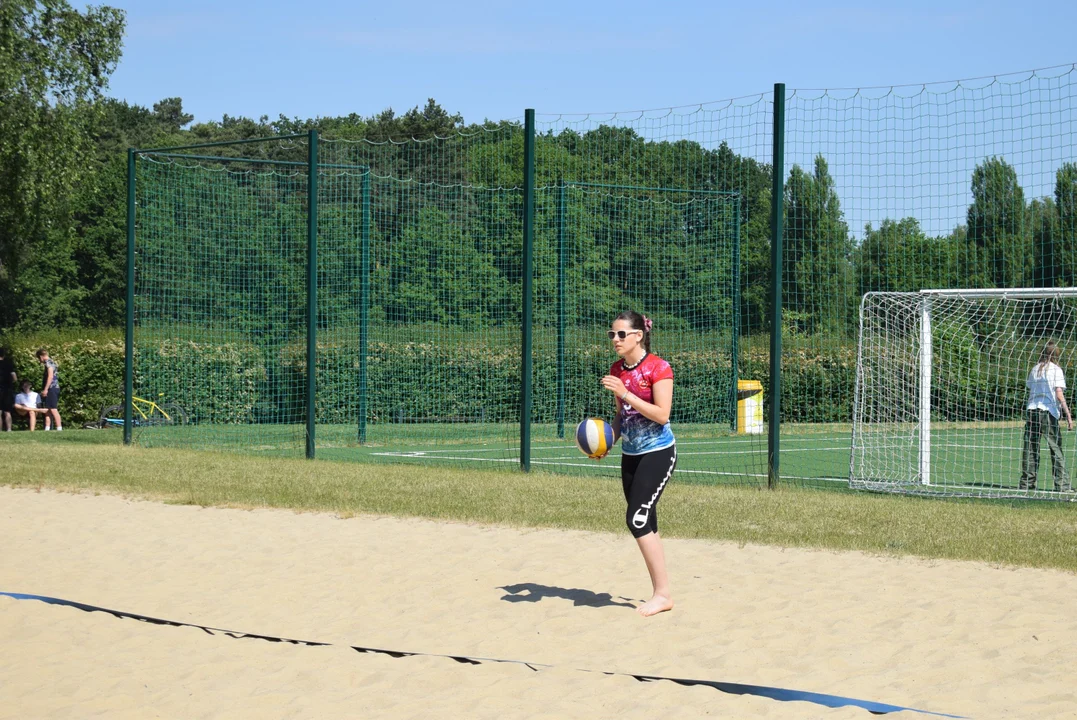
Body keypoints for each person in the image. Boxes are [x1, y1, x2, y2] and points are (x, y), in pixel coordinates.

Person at [600, 311, 677, 617]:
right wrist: (608, 440)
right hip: (630, 455)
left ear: (638, 336)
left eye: (621, 334)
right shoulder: (617, 369)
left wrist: (626, 392)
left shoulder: (659, 368)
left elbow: (662, 414)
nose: (615, 340)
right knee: (646, 520)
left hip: (659, 453)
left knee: (637, 519)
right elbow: (622, 416)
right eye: (612, 335)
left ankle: (662, 594)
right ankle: (662, 592)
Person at [1020, 340, 1073, 492]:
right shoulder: (1056, 370)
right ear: (1057, 354)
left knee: (1030, 448)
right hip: (1048, 413)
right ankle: (1062, 485)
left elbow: (1030, 388)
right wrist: (1068, 415)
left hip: (1032, 411)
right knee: (1056, 449)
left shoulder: (1035, 369)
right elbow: (1058, 393)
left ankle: (1027, 483)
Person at [36, 348, 62, 432]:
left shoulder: (48, 363)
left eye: (39, 358)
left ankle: (59, 428)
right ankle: (47, 428)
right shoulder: (51, 362)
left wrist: (46, 389)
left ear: (41, 356)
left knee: (53, 409)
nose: (39, 360)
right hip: (52, 388)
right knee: (48, 409)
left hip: (52, 388)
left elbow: (50, 376)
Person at [0, 347, 15, 432]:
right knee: (7, 411)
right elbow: (14, 377)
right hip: (7, 390)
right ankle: (9, 429)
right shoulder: (9, 364)